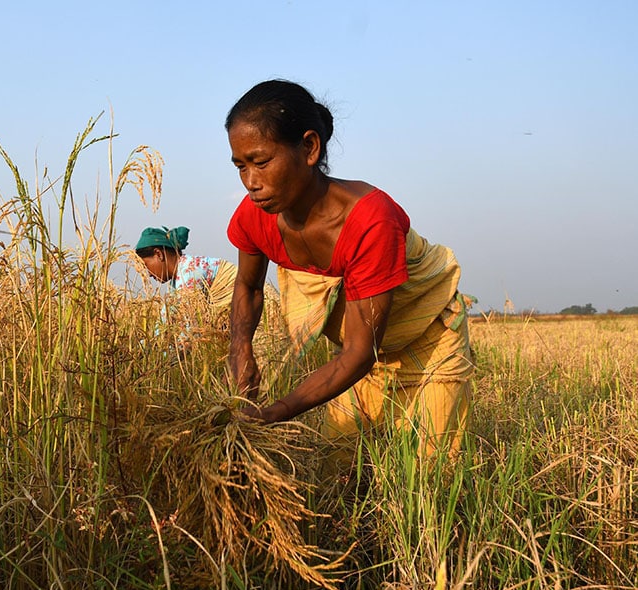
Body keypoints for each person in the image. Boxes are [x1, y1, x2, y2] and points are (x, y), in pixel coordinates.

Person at [225, 79, 474, 465]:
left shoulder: (370, 221)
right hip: (360, 352)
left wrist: (275, 412)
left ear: (309, 147)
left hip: (427, 342)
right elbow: (248, 286)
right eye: (240, 166)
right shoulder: (254, 216)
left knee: (429, 478)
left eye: (261, 162)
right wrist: (240, 351)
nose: (251, 183)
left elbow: (361, 353)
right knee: (340, 471)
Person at [135, 225, 238, 331]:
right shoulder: (176, 282)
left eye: (146, 265)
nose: (149, 274)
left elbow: (191, 329)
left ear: (158, 254)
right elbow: (165, 319)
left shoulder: (189, 273)